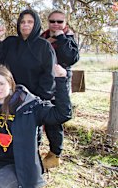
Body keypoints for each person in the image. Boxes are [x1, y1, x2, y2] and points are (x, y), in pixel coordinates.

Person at [0, 64, 71, 188]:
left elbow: (63, 114)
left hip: (20, 165)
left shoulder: (30, 106)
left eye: (1, 83)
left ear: (10, 83)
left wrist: (61, 80)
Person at [40, 9, 80, 169]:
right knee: (41, 116)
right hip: (43, 83)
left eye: (59, 21)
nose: (55, 24)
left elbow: (70, 58)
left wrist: (61, 38)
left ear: (65, 24)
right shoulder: (42, 37)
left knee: (54, 120)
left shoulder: (68, 39)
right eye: (52, 21)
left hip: (59, 85)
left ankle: (55, 153)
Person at [0, 9, 56, 100]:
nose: (26, 25)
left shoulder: (44, 46)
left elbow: (49, 75)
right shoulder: (11, 42)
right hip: (10, 98)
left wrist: (40, 99)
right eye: (22, 22)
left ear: (36, 24)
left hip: (34, 99)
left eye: (30, 22)